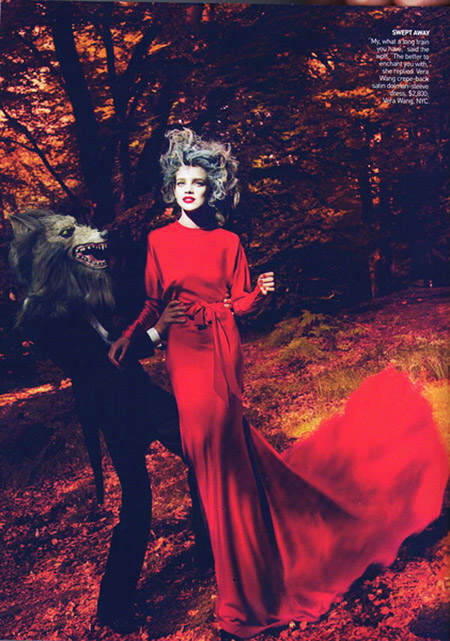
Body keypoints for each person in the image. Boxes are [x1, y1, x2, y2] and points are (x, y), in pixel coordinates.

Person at [109, 129, 449, 640]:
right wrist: (132, 334)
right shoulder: (158, 240)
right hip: (183, 353)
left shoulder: (229, 242)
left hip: (221, 350)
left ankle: (241, 599)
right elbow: (153, 301)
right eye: (180, 183)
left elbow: (240, 301)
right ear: (171, 188)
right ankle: (245, 578)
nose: (188, 190)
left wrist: (259, 294)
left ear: (211, 189)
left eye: (197, 183)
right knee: (214, 464)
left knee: (221, 461)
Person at [8, 209, 211, 636]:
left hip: (141, 395)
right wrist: (157, 332)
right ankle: (113, 607)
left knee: (202, 454)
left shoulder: (86, 295)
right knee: (137, 502)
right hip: (113, 410)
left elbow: (124, 323)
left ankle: (210, 550)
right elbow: (102, 362)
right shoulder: (45, 314)